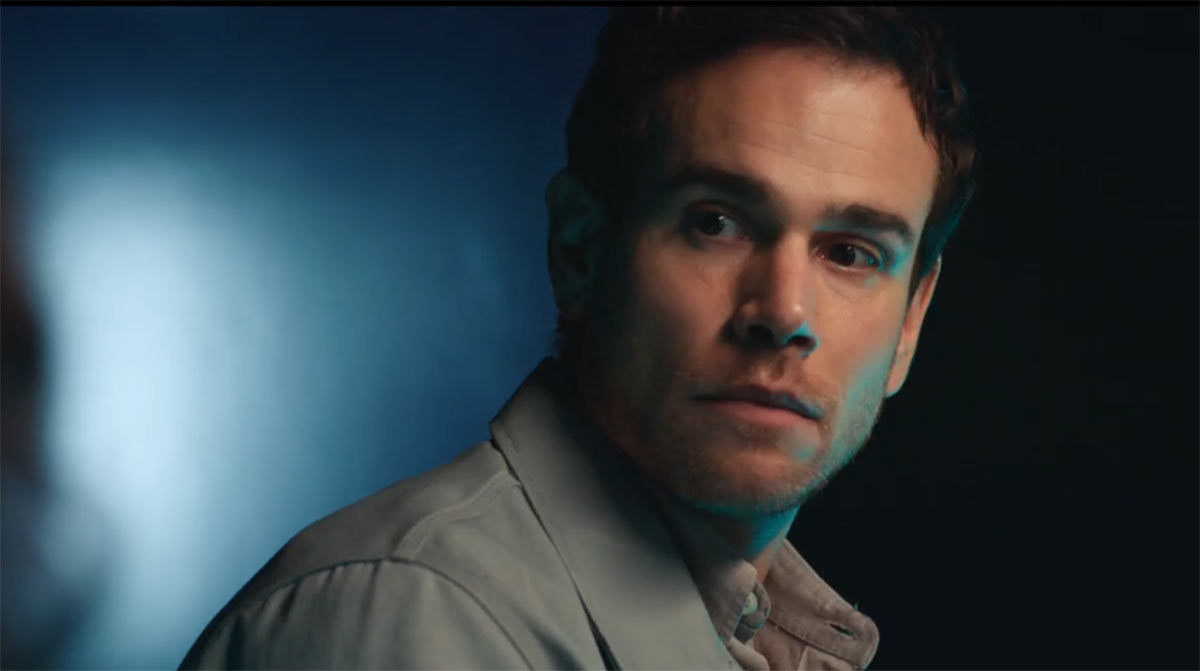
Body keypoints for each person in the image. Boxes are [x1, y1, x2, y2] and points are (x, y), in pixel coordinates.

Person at [181, 7, 975, 670]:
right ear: (580, 250)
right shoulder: (405, 618)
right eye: (716, 222)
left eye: (851, 254)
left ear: (911, 321)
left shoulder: (765, 639)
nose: (782, 311)